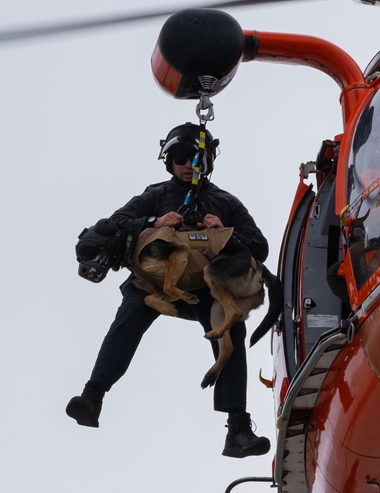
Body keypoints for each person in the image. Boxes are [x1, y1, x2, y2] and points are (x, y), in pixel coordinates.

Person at [66, 122, 272, 458]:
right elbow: (116, 223)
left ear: (207, 159)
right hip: (154, 281)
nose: (188, 164)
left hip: (204, 288)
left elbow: (258, 248)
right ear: (169, 162)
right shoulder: (156, 195)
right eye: (180, 157)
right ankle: (92, 396)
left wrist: (226, 234)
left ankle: (238, 429)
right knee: (131, 312)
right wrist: (153, 223)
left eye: (194, 157)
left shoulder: (225, 202)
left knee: (230, 329)